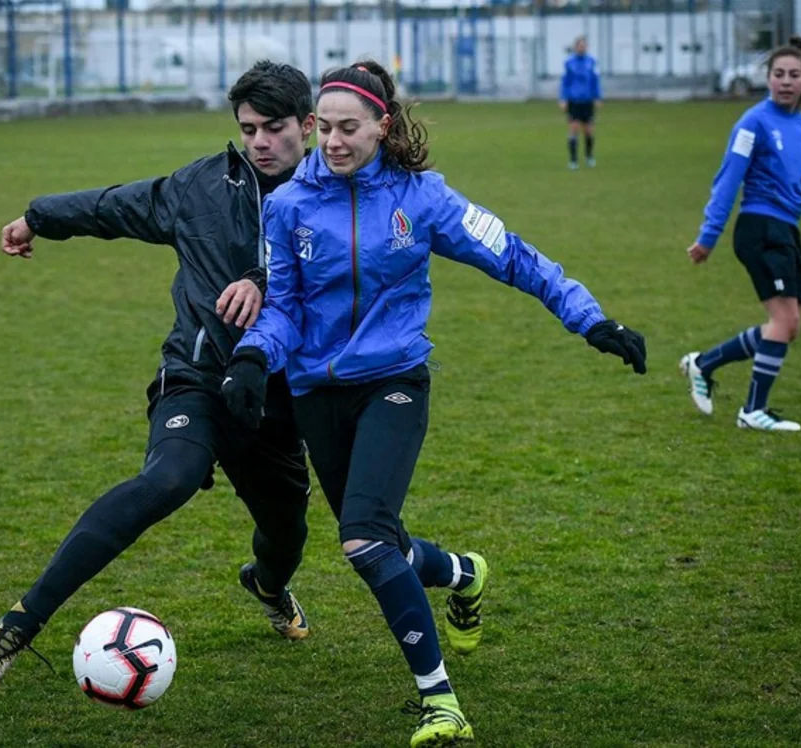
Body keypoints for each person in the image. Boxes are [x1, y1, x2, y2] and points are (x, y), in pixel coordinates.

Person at [221, 60, 646, 747]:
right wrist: (251, 357)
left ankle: (440, 701)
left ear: (381, 127)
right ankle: (462, 573)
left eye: (347, 128)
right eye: (322, 127)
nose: (331, 141)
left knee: (362, 539)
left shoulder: (424, 199)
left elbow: (514, 255)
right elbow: (285, 310)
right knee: (380, 541)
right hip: (314, 394)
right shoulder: (289, 204)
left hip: (394, 381)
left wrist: (589, 318)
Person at [0, 61, 322, 696]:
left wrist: (263, 285)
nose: (260, 142)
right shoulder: (201, 187)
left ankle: (267, 585)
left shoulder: (336, 195)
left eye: (274, 128)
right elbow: (118, 206)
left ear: (309, 127)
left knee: (287, 534)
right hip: (198, 379)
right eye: (248, 129)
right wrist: (40, 217)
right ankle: (20, 622)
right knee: (168, 479)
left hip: (277, 398)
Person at [680, 37, 801, 432]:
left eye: (793, 75)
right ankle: (752, 411)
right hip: (759, 228)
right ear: (767, 79)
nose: (785, 81)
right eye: (778, 74)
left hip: (785, 230)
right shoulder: (753, 123)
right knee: (784, 321)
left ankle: (704, 363)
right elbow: (728, 180)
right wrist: (709, 235)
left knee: (788, 325)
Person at [559, 35, 602, 170]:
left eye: (584, 45)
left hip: (587, 101)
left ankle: (589, 156)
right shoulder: (569, 63)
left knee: (589, 130)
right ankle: (573, 160)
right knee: (574, 129)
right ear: (575, 47)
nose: (582, 47)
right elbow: (565, 82)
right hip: (574, 101)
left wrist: (598, 97)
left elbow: (595, 81)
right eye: (579, 45)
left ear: (586, 47)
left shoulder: (592, 62)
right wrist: (563, 98)